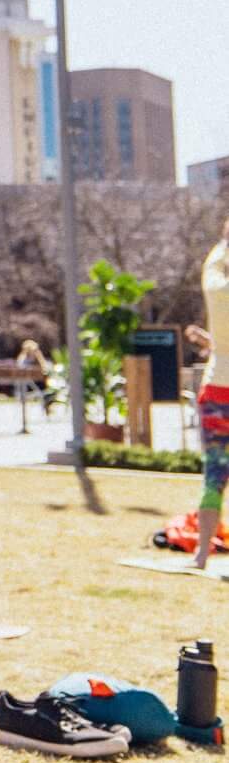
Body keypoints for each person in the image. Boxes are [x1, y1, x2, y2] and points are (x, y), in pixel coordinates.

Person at [184, 220, 229, 564]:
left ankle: (201, 553)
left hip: (216, 391)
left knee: (214, 475)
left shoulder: (217, 286)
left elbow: (213, 262)